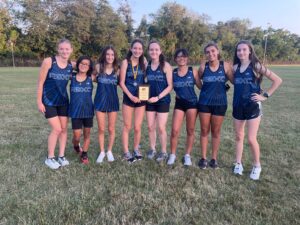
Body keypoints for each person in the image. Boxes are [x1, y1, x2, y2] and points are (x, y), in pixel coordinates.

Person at [232, 40, 282, 180]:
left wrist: (265, 95)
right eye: (238, 50)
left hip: (253, 106)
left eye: (244, 49)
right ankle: (238, 163)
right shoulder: (235, 68)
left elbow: (277, 80)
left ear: (249, 51)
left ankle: (256, 165)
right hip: (238, 105)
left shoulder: (256, 66)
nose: (241, 52)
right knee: (238, 136)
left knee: (251, 138)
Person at [37, 38, 74, 169]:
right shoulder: (49, 61)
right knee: (57, 129)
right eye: (62, 48)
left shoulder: (71, 65)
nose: (64, 51)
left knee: (63, 130)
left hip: (63, 101)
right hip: (49, 101)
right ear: (58, 49)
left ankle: (61, 156)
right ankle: (50, 157)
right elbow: (40, 82)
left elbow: (87, 67)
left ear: (71, 50)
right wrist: (39, 101)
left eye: (67, 49)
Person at [198, 42, 233, 169]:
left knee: (216, 131)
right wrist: (205, 90)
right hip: (204, 103)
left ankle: (214, 158)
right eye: (207, 52)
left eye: (213, 51)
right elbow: (197, 79)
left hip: (220, 103)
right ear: (205, 54)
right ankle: (203, 158)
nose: (210, 54)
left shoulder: (225, 66)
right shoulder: (203, 66)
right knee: (204, 130)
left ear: (217, 51)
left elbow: (234, 80)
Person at [167, 49, 201, 166]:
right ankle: (172, 154)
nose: (181, 59)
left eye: (184, 56)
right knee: (174, 130)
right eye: (179, 57)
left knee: (190, 130)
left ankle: (187, 155)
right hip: (179, 103)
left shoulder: (193, 71)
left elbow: (201, 87)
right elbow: (168, 87)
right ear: (175, 59)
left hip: (192, 103)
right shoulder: (173, 72)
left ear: (187, 58)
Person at [119, 39, 147, 163]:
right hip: (129, 97)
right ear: (131, 49)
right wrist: (131, 96)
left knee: (137, 126)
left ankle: (136, 148)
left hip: (141, 98)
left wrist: (144, 95)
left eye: (140, 49)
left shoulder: (144, 62)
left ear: (142, 50)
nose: (137, 51)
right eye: (135, 48)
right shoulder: (125, 62)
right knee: (127, 126)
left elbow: (145, 80)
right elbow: (121, 82)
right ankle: (126, 151)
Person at [145, 40, 173, 162]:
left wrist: (158, 97)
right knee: (151, 127)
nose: (154, 51)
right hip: (150, 101)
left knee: (161, 127)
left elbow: (170, 86)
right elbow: (145, 82)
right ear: (148, 51)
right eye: (151, 49)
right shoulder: (146, 66)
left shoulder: (166, 65)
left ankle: (163, 151)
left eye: (156, 49)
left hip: (163, 100)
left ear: (160, 51)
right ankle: (152, 149)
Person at [94, 46, 119, 163]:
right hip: (100, 101)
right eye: (108, 54)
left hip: (113, 101)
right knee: (101, 128)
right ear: (104, 55)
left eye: (112, 55)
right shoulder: (98, 67)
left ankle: (109, 150)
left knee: (111, 128)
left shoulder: (117, 70)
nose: (110, 57)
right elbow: (91, 77)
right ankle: (102, 151)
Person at [69, 56, 94, 164]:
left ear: (89, 67)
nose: (84, 66)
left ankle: (84, 154)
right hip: (75, 111)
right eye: (81, 63)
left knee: (87, 134)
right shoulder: (72, 76)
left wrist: (88, 67)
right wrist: (77, 64)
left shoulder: (91, 77)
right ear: (78, 64)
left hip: (88, 111)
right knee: (77, 136)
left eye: (86, 64)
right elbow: (66, 64)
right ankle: (76, 145)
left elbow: (98, 68)